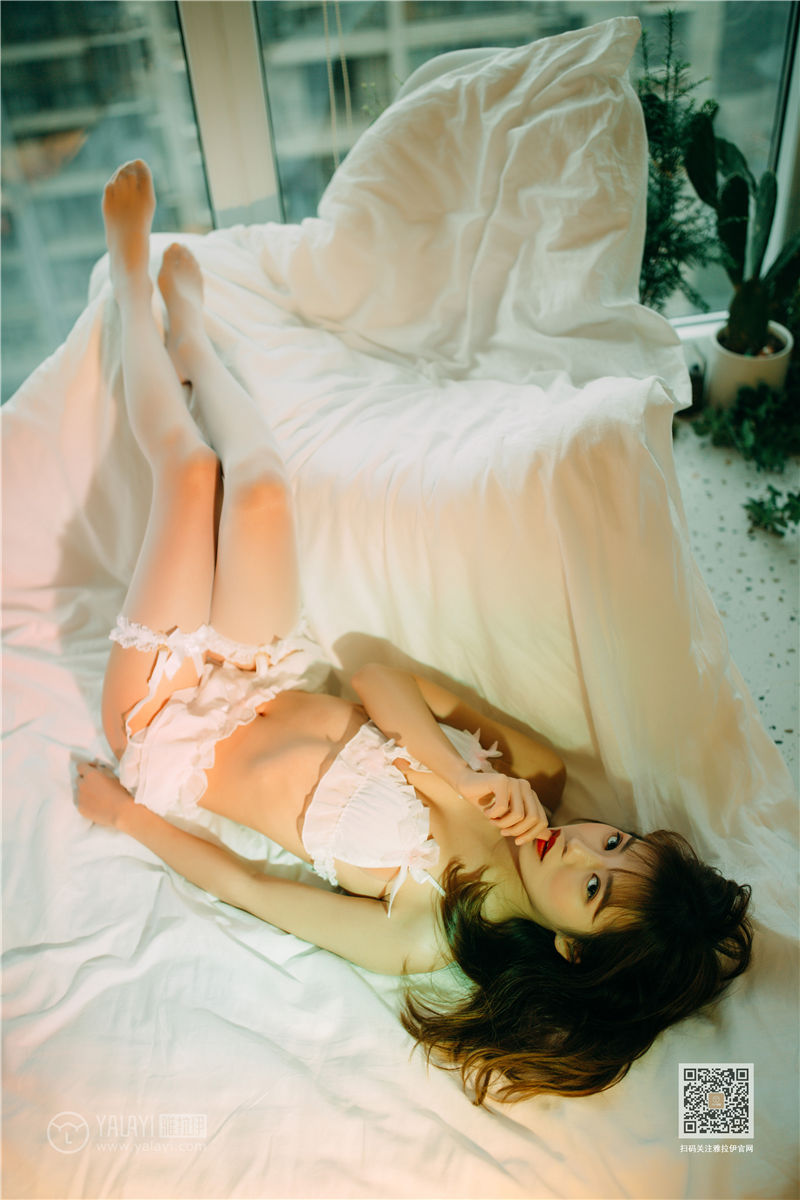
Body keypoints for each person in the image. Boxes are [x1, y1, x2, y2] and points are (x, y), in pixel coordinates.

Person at [76, 161, 753, 1105]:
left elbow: (255, 892)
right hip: (257, 671)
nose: (582, 850)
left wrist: (126, 816)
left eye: (596, 889)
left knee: (191, 476)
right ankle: (188, 338)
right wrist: (464, 772)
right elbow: (370, 666)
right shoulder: (534, 776)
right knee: (262, 488)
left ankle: (126, 273)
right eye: (614, 844)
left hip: (164, 729)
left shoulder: (424, 930)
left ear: (572, 947)